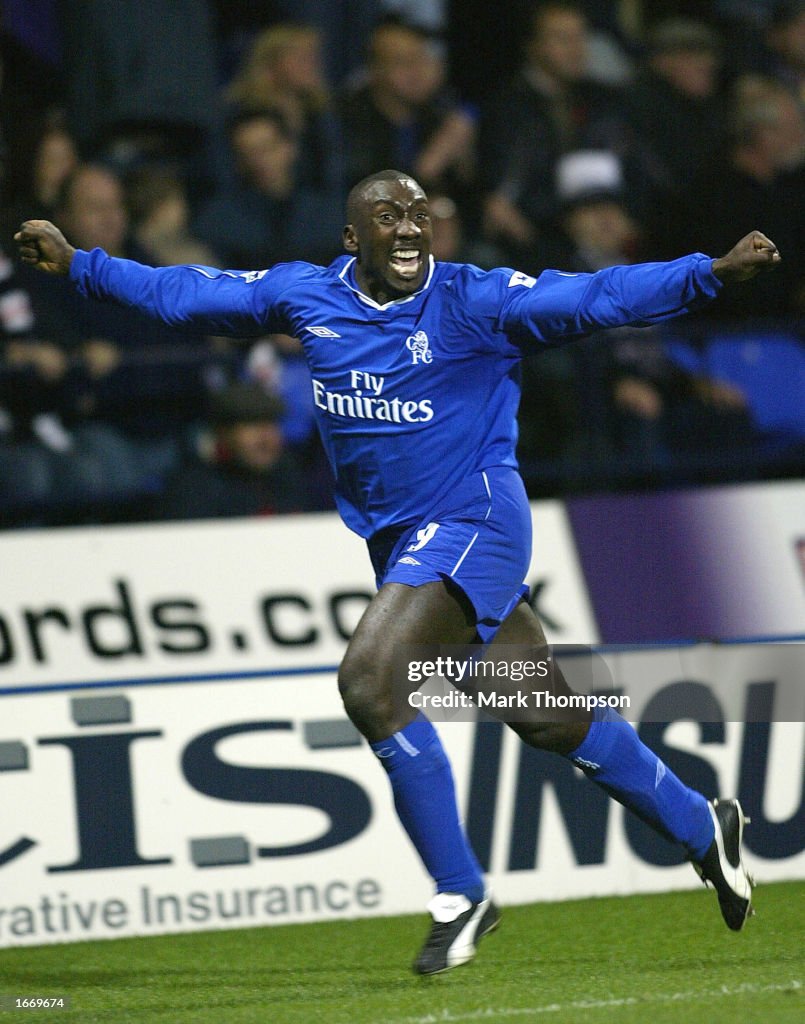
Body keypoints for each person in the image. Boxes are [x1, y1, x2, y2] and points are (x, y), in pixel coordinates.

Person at [15, 170, 778, 975]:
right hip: (401, 541)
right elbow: (183, 293)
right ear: (353, 239)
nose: (409, 225)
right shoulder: (305, 297)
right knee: (544, 714)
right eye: (387, 214)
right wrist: (78, 265)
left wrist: (705, 274)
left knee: (370, 683)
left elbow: (594, 296)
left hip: (475, 520)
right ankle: (703, 825)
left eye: (420, 213)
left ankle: (459, 894)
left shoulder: (473, 301)